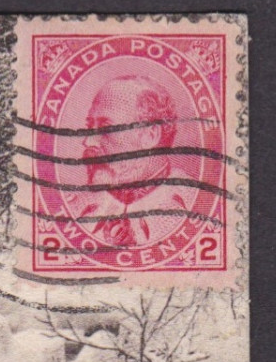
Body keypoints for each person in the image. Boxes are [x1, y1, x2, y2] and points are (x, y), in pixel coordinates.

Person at [65, 73, 194, 250]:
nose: (88, 142)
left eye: (106, 128)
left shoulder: (194, 204)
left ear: (150, 135)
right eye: (90, 127)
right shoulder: (74, 208)